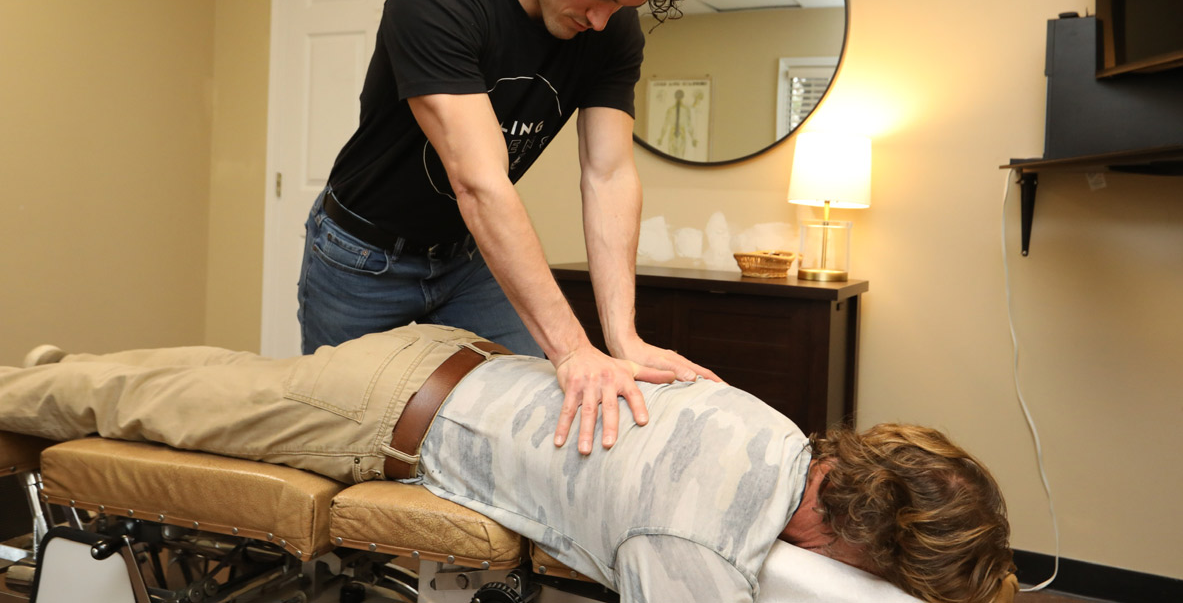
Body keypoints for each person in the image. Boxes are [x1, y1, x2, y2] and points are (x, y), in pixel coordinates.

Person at [3, 326, 1015, 603]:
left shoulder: (769, 424)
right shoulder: (696, 547)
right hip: (380, 414)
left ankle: (58, 373)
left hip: (446, 358)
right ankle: (28, 387)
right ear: (844, 538)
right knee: (145, 401)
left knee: (180, 381)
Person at [298, 0, 713, 455]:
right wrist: (573, 348)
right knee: (339, 442)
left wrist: (622, 337)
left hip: (471, 258)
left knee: (535, 419)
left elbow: (609, 172)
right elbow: (480, 182)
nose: (601, 20)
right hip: (361, 257)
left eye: (620, 5)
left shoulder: (610, 32)